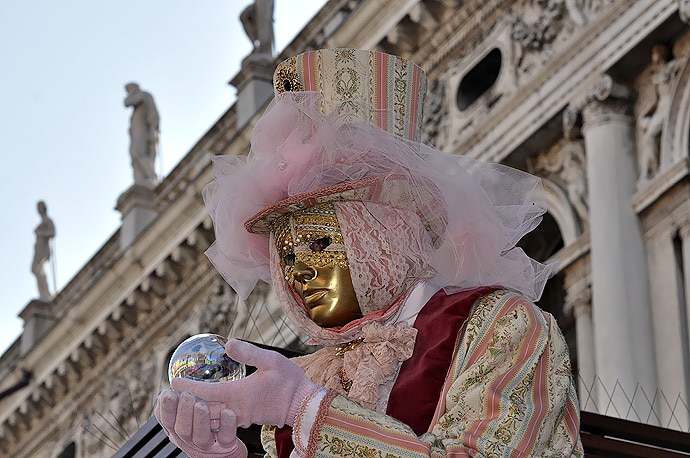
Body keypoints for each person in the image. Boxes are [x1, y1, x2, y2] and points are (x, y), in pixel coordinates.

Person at [155, 48, 583, 457]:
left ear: (382, 234)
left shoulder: (498, 324)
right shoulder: (312, 374)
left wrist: (305, 409)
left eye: (320, 243)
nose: (298, 273)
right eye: (284, 257)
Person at [124, 82, 160, 188]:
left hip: (143, 129)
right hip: (135, 131)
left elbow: (127, 102)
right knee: (134, 154)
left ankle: (151, 176)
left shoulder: (143, 96)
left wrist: (153, 129)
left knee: (139, 153)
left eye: (129, 90)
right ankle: (141, 179)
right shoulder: (138, 104)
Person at [31, 200, 55, 302]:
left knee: (36, 268)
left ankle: (46, 293)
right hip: (39, 247)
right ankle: (43, 293)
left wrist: (41, 234)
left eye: (40, 207)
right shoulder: (43, 221)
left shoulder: (48, 220)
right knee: (36, 269)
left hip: (44, 248)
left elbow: (52, 233)